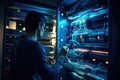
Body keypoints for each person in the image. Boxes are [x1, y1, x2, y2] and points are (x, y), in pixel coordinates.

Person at [8, 11, 68, 80]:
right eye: (44, 27)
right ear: (39, 26)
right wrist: (62, 56)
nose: (44, 30)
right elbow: (50, 76)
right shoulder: (35, 46)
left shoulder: (18, 42)